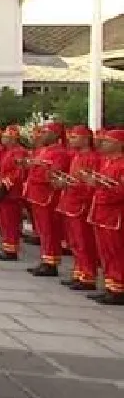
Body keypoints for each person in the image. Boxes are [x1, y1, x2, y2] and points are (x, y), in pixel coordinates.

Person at [22, 122, 70, 276]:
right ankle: (45, 259)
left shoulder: (60, 153)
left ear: (55, 135)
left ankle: (51, 262)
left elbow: (55, 174)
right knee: (43, 230)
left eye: (45, 132)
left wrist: (41, 172)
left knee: (50, 230)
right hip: (36, 195)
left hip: (48, 196)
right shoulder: (43, 150)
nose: (41, 135)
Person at [56, 126, 99, 288]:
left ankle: (88, 276)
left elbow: (91, 186)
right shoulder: (77, 156)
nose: (70, 140)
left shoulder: (92, 158)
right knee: (74, 242)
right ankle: (79, 272)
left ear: (86, 139)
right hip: (70, 203)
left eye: (75, 137)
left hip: (81, 205)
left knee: (83, 242)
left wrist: (73, 186)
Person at [87, 129, 124, 304]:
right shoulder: (108, 162)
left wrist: (102, 187)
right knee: (105, 251)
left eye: (108, 141)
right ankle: (110, 286)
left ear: (120, 144)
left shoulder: (122, 165)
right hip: (101, 212)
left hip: (114, 214)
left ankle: (118, 288)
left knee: (115, 251)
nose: (103, 143)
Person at [0, 126, 29, 261]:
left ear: (13, 139)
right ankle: (7, 247)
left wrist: (5, 183)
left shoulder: (19, 152)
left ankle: (11, 250)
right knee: (4, 221)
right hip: (5, 191)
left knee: (11, 222)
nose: (3, 139)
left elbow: (18, 173)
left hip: (12, 192)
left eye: (6, 137)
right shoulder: (8, 151)